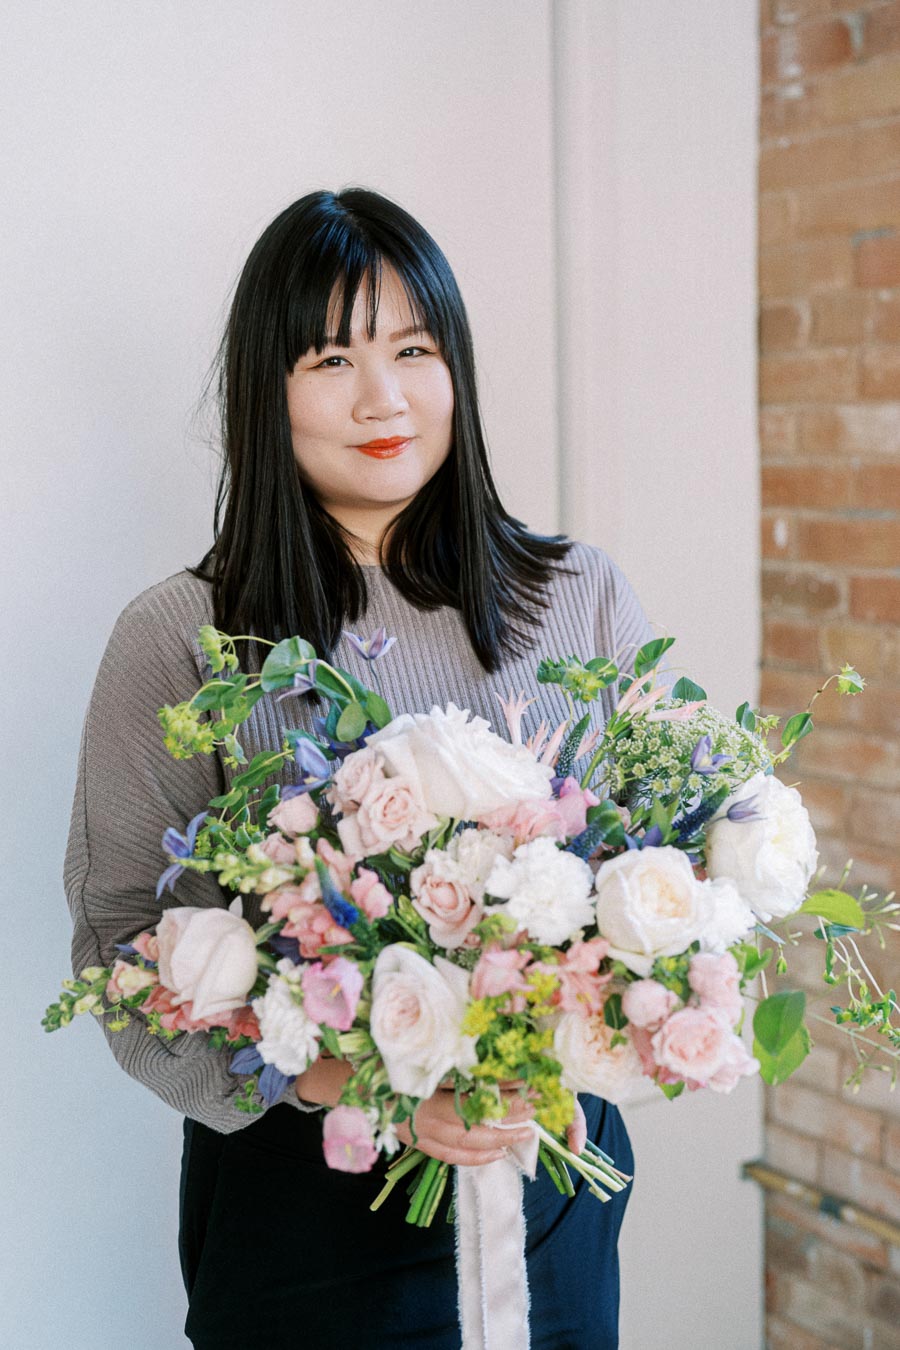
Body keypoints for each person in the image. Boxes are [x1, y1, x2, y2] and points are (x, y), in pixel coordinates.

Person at [65, 187, 655, 1349]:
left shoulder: (578, 593)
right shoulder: (182, 635)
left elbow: (651, 868)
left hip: (552, 1185)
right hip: (306, 1214)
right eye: (332, 356)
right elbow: (119, 940)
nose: (384, 398)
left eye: (414, 348)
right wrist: (361, 1080)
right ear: (265, 390)